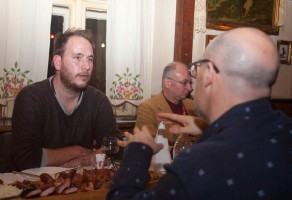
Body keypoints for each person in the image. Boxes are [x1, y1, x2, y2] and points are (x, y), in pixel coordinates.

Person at [107, 27, 292, 199]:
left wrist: (137, 152)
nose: (191, 86)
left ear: (210, 73)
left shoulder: (196, 167)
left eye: (197, 68)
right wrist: (208, 128)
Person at [11, 28, 121, 171]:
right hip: (31, 186)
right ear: (58, 62)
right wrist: (79, 151)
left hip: (80, 187)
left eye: (90, 59)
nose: (86, 66)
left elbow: (114, 149)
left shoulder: (98, 101)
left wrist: (67, 167)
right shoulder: (31, 98)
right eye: (77, 57)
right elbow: (25, 159)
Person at [135, 61, 205, 145]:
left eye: (190, 82)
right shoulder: (147, 108)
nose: (190, 88)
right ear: (167, 83)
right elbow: (150, 144)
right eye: (184, 83)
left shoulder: (193, 105)